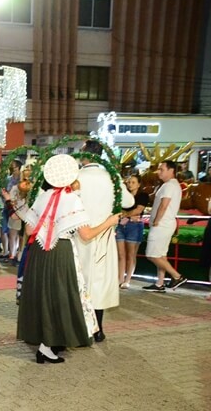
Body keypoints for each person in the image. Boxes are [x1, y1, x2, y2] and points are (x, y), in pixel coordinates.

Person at [17, 155, 119, 363]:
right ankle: (47, 346)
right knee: (60, 296)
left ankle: (46, 341)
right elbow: (87, 234)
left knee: (43, 295)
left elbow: (29, 228)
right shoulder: (71, 199)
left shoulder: (43, 196)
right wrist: (110, 222)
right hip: (60, 252)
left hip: (39, 252)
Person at [74, 140, 135, 342]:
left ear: (85, 155)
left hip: (80, 233)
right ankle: (98, 328)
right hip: (105, 234)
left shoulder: (78, 177)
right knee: (98, 281)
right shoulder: (111, 177)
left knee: (79, 280)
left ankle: (80, 327)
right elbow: (129, 202)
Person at [143, 160, 187, 292]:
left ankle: (177, 276)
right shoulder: (171, 185)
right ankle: (159, 283)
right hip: (166, 223)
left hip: (162, 224)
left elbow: (164, 205)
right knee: (161, 255)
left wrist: (157, 220)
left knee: (152, 254)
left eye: (161, 169)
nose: (159, 172)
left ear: (171, 170)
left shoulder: (169, 186)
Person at [116, 174, 148, 289]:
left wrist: (126, 214)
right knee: (121, 254)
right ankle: (120, 278)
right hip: (121, 225)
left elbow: (138, 210)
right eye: (129, 182)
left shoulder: (143, 196)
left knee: (131, 254)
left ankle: (127, 279)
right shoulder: (123, 196)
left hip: (134, 226)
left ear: (139, 184)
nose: (130, 184)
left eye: (133, 182)